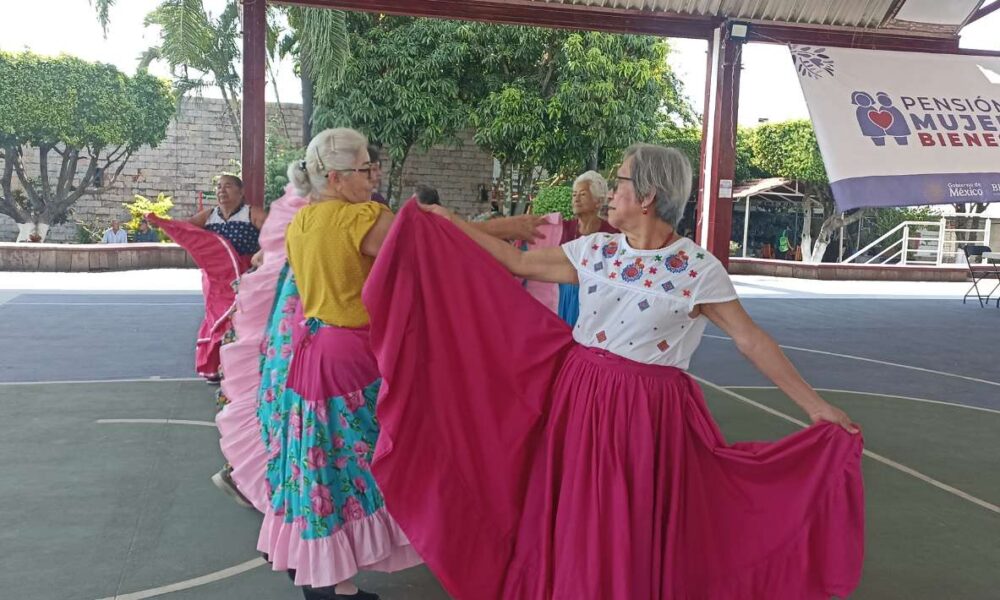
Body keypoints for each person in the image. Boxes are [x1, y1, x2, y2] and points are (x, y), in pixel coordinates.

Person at [365, 143, 864, 599]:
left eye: (619, 181)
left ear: (647, 196)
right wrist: (447, 220)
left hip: (648, 413)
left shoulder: (697, 269)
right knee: (576, 517)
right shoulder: (597, 251)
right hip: (580, 398)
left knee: (627, 522)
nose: (611, 190)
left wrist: (816, 409)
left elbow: (749, 339)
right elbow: (514, 265)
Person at [256, 128, 420, 600]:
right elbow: (426, 243)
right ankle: (335, 581)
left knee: (320, 461)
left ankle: (329, 576)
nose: (374, 175)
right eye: (366, 168)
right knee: (370, 458)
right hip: (353, 356)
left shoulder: (303, 223)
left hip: (314, 352)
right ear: (335, 177)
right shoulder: (361, 220)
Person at [147, 174, 265, 383]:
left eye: (228, 186)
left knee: (242, 320)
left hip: (246, 277)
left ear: (241, 192)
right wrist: (164, 224)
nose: (222, 190)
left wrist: (262, 253)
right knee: (217, 320)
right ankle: (216, 367)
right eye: (219, 187)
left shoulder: (251, 213)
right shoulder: (209, 215)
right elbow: (186, 231)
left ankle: (241, 369)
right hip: (216, 281)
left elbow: (277, 234)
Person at [557, 171, 618, 326]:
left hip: (597, 298)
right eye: (574, 194)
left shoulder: (611, 233)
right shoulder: (564, 228)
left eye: (582, 194)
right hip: (565, 294)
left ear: (597, 201)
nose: (576, 199)